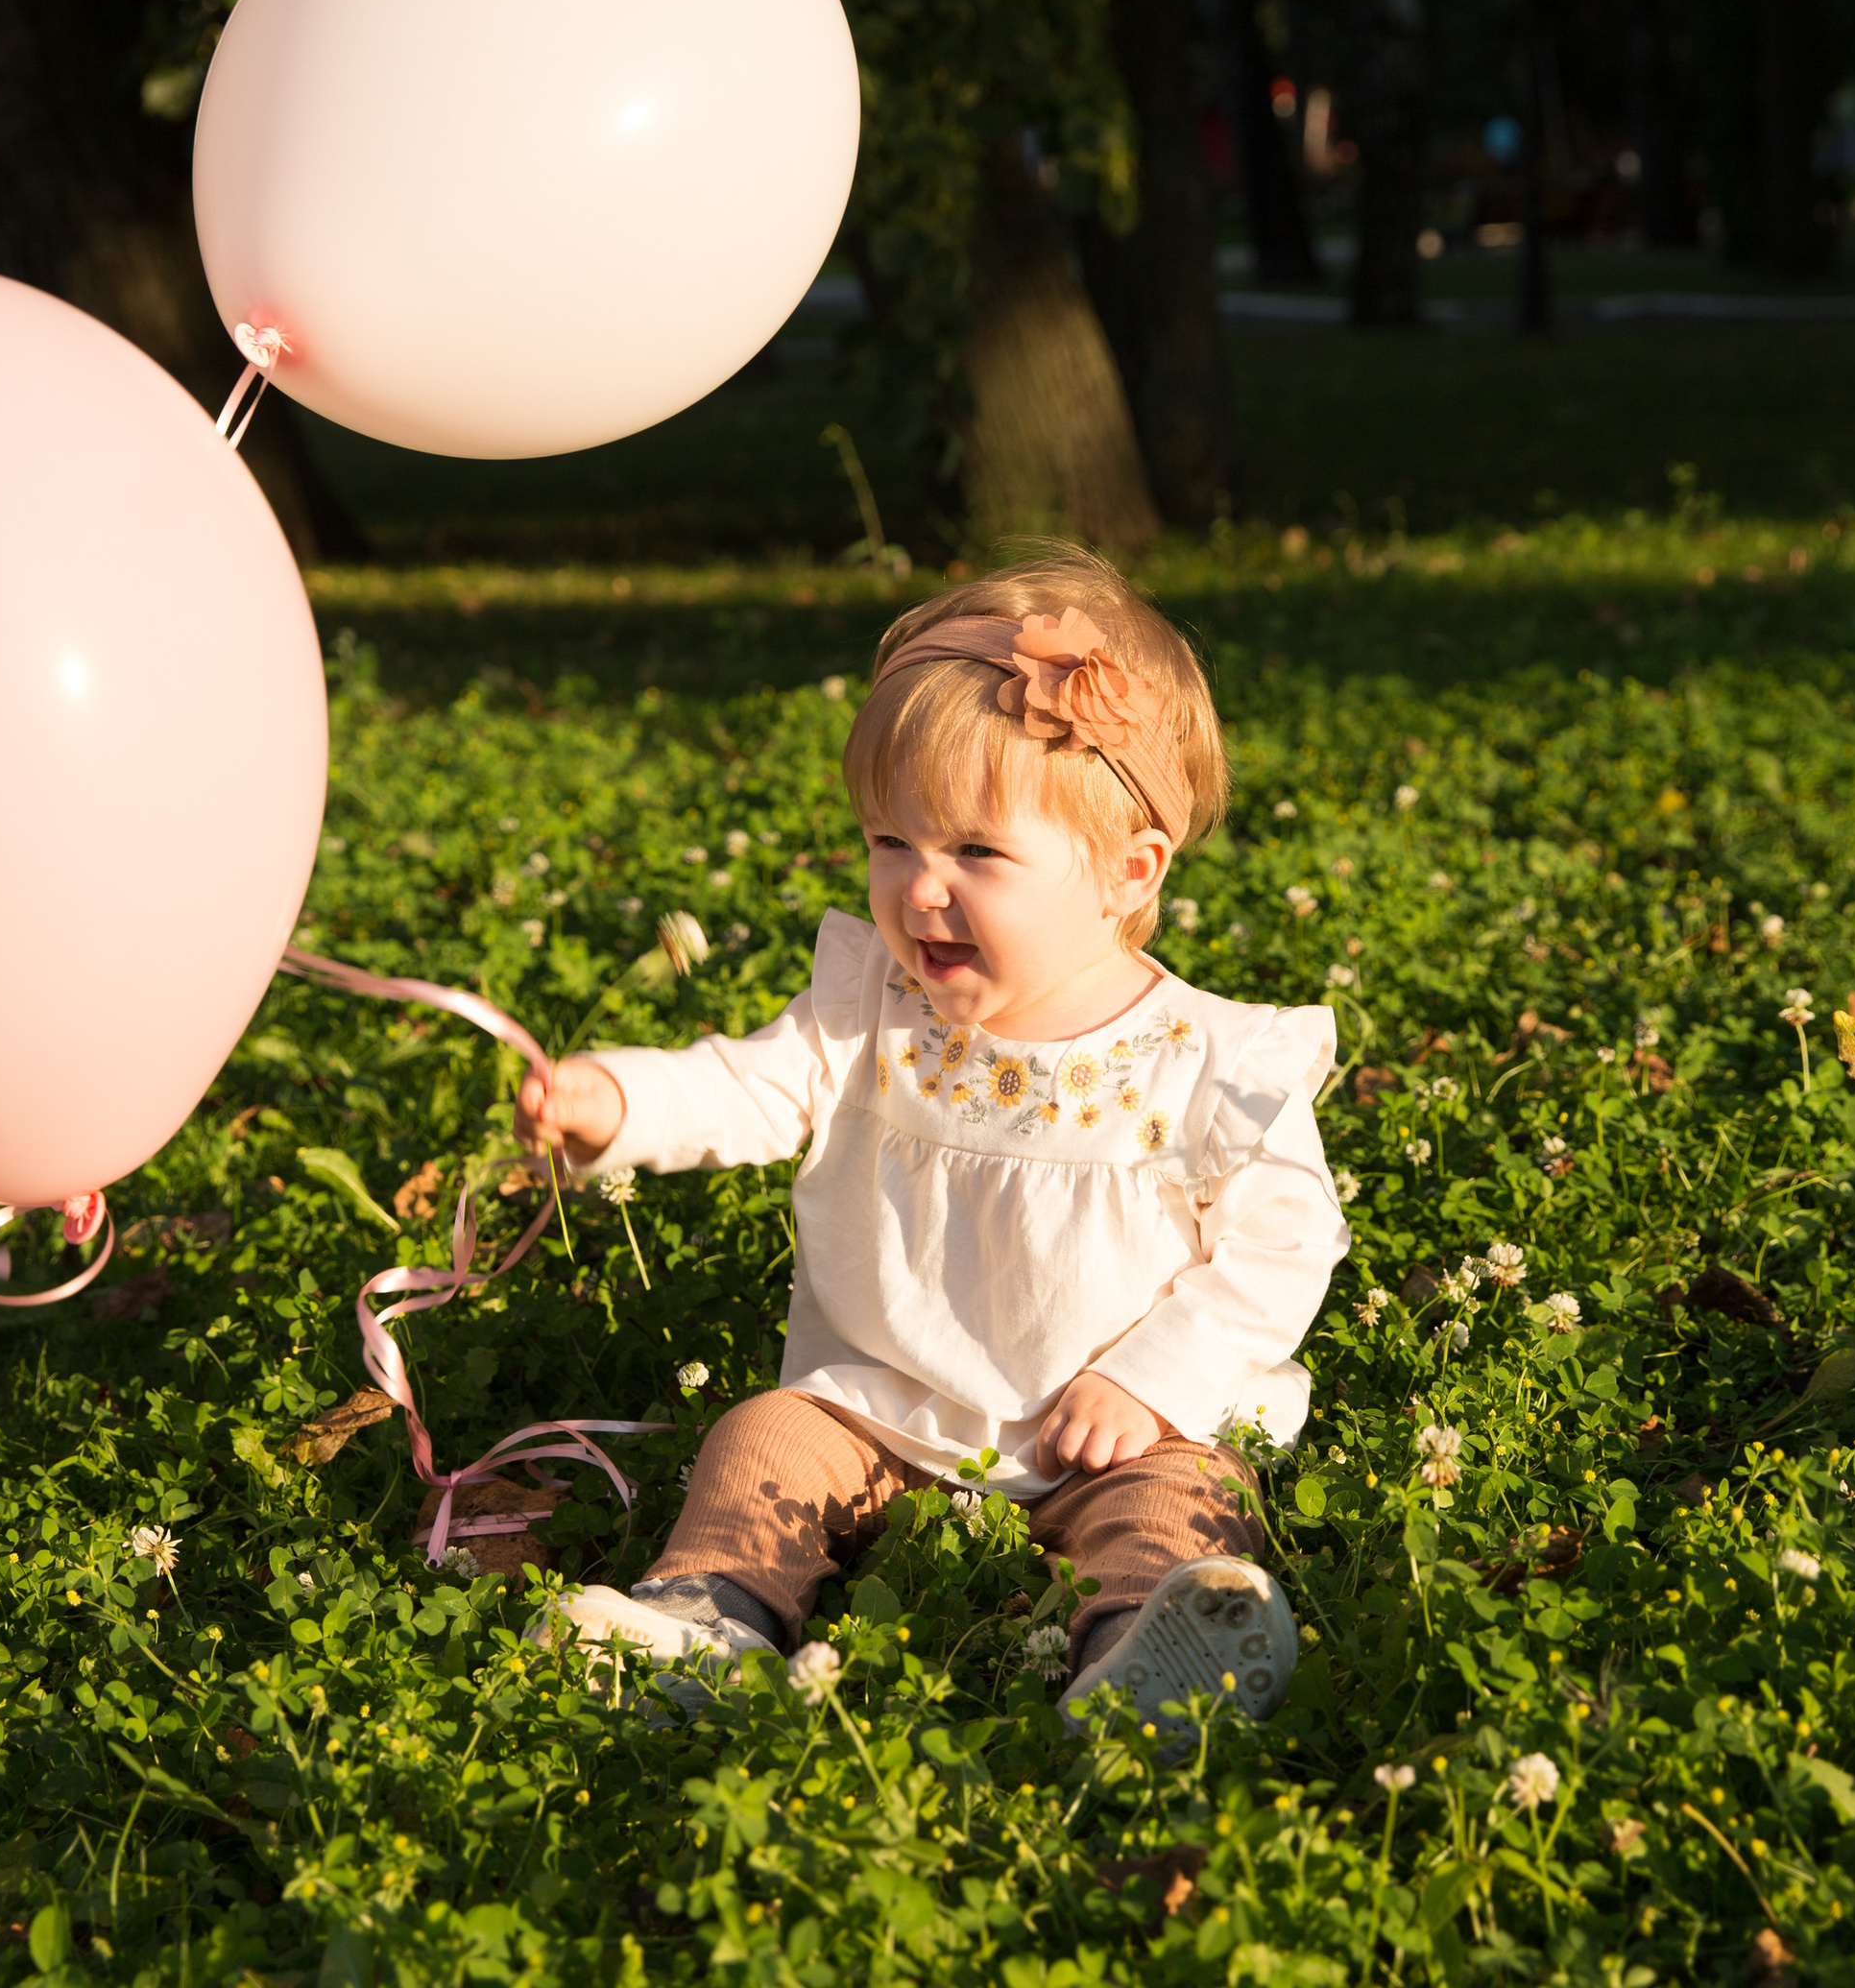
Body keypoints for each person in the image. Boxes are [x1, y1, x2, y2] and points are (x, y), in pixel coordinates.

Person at [513, 544, 1347, 1733]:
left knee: (1180, 1503)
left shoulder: (1210, 1059)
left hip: (1108, 1431)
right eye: (889, 841)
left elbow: (1282, 1247)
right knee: (765, 1439)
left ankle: (1143, 1663)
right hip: (884, 1411)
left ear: (1126, 869)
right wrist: (615, 1103)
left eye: (976, 852)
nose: (916, 890)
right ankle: (705, 1620)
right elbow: (751, 1088)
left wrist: (1151, 1383)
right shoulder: (870, 1011)